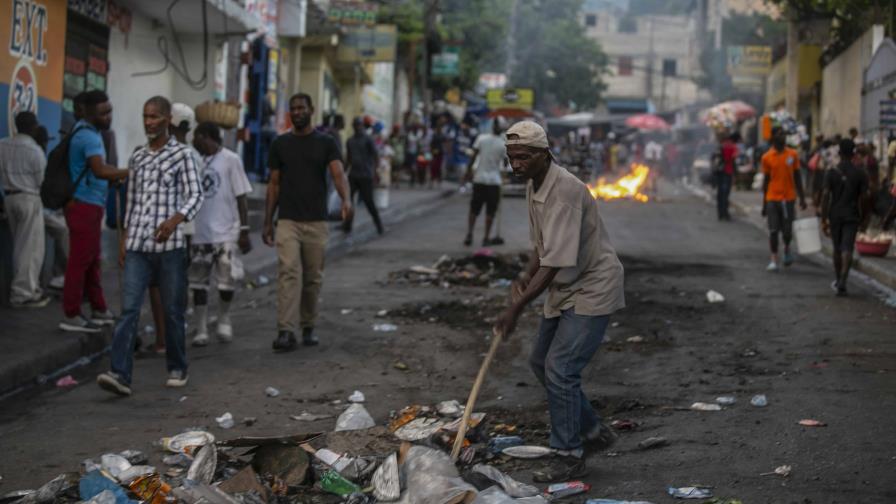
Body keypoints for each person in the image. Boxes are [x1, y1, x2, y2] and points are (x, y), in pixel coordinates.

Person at [494, 121, 625, 483]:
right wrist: (524, 276)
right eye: (511, 157)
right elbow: (543, 248)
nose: (515, 165)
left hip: (592, 285)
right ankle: (593, 431)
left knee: (561, 368)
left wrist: (515, 309)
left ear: (544, 154)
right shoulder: (534, 183)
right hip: (567, 286)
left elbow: (554, 262)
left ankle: (568, 453)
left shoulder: (564, 191)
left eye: (523, 157)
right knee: (541, 362)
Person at [96, 96, 203, 396]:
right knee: (129, 309)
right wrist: (125, 239)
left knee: (172, 310)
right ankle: (120, 374)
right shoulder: (138, 157)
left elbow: (195, 195)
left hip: (170, 249)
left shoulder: (183, 155)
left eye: (155, 116)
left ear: (168, 119)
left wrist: (175, 220)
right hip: (138, 247)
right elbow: (131, 201)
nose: (149, 122)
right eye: (145, 116)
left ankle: (177, 366)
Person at [263, 93, 352, 352]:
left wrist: (346, 199)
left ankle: (308, 325)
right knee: (288, 273)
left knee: (312, 278)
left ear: (312, 110)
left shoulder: (325, 143)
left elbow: (337, 173)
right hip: (288, 220)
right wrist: (268, 221)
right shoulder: (280, 144)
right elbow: (274, 184)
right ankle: (285, 331)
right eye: (293, 109)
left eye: (301, 107)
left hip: (316, 221)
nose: (297, 112)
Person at [60, 90, 129, 332]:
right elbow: (100, 170)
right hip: (84, 205)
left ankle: (99, 308)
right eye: (103, 113)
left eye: (109, 111)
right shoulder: (88, 137)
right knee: (80, 261)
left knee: (91, 260)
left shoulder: (90, 133)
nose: (109, 117)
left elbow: (100, 169)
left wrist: (116, 174)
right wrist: (130, 172)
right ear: (88, 113)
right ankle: (71, 313)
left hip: (90, 204)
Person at [188, 122, 252, 346]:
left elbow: (241, 196)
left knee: (226, 282)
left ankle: (224, 319)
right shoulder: (194, 160)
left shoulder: (231, 159)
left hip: (226, 232)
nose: (193, 142)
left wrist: (244, 230)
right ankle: (201, 328)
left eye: (196, 137)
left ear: (207, 137)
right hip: (200, 232)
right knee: (198, 284)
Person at [0, 112, 50, 307]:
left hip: (9, 198)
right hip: (29, 199)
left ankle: (29, 287)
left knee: (20, 247)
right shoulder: (35, 150)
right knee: (30, 249)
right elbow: (42, 183)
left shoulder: (2, 144)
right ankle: (22, 294)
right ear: (33, 127)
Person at [821, 139, 869, 296]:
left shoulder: (831, 172)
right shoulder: (860, 173)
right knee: (847, 247)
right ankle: (843, 280)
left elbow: (826, 195)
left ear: (840, 153)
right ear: (854, 154)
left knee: (837, 248)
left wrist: (823, 218)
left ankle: (838, 278)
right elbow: (864, 198)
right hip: (852, 214)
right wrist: (864, 217)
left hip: (835, 214)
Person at [761, 127, 807, 271]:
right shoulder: (766, 157)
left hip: (788, 198)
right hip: (772, 198)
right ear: (773, 137)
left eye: (784, 134)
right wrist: (764, 204)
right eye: (780, 134)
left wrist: (802, 198)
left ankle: (787, 248)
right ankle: (774, 259)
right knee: (773, 230)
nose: (783, 136)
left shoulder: (792, 154)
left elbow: (798, 177)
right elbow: (766, 181)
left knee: (787, 231)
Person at [463, 118, 507, 246]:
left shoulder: (481, 138)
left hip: (479, 179)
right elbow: (505, 163)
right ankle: (486, 237)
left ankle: (469, 234)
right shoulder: (503, 143)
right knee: (490, 211)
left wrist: (468, 172)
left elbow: (473, 156)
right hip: (494, 181)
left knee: (474, 209)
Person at [343, 117, 384, 235]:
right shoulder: (350, 141)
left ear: (362, 126)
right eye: (355, 125)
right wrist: (343, 173)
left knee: (368, 201)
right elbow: (348, 158)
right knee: (348, 201)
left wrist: (376, 171)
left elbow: (376, 156)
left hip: (366, 175)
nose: (357, 127)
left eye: (359, 125)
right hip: (353, 175)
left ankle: (379, 225)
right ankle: (347, 225)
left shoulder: (368, 140)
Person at [717, 132, 739, 221]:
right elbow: (734, 159)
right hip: (727, 172)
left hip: (720, 173)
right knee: (725, 194)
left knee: (720, 194)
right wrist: (735, 174)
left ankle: (720, 213)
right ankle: (725, 213)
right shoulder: (732, 147)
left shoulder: (721, 146)